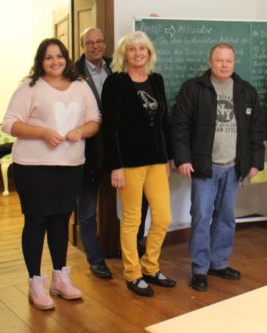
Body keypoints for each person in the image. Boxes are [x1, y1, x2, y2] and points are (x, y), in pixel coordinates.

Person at [2, 38, 100, 310]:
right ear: (40, 61)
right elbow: (9, 123)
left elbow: (95, 120)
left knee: (60, 222)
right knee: (36, 222)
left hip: (70, 166)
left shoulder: (81, 87)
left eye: (59, 56)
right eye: (48, 57)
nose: (55, 61)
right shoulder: (30, 87)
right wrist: (42, 132)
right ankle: (35, 282)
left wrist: (81, 131)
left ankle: (60, 278)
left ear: (67, 58)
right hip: (33, 167)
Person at [172, 42, 265, 292]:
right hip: (205, 167)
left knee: (226, 218)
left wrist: (255, 162)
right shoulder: (194, 88)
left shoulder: (246, 91)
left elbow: (256, 130)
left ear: (234, 63)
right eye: (219, 60)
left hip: (234, 167)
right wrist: (183, 158)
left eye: (228, 61)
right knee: (201, 217)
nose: (224, 65)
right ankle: (200, 268)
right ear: (210, 62)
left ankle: (219, 262)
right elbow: (179, 126)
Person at [101, 31, 175, 297]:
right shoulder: (115, 83)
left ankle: (150, 266)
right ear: (124, 54)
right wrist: (116, 166)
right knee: (132, 219)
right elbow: (111, 129)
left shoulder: (156, 80)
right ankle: (132, 273)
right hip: (129, 163)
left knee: (164, 217)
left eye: (142, 49)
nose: (138, 53)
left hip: (156, 159)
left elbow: (164, 122)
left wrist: (167, 157)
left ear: (149, 53)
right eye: (132, 49)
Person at [74, 26, 113, 279]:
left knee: (131, 201)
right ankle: (95, 259)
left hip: (116, 147)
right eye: (90, 43)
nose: (95, 46)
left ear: (105, 43)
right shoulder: (72, 73)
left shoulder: (116, 65)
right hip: (87, 150)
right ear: (82, 46)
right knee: (87, 208)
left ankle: (133, 249)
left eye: (99, 42)